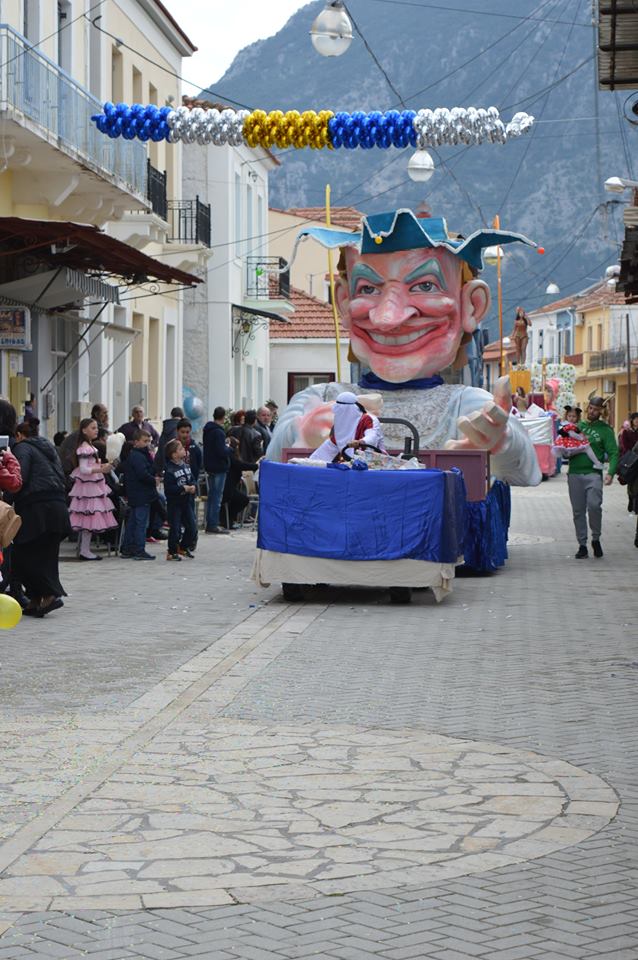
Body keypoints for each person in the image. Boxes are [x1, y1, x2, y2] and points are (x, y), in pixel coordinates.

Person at [267, 208, 540, 488]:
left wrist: (501, 443)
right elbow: (271, 467)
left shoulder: (467, 405)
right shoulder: (319, 398)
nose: (388, 318)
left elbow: (526, 473)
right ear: (344, 302)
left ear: (472, 305)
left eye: (424, 285)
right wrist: (301, 433)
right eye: (368, 289)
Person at [11, 418, 70, 616]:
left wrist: (7, 501)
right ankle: (36, 600)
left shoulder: (22, 449)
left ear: (19, 435)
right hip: (57, 506)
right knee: (46, 555)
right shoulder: (49, 448)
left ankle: (49, 595)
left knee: (24, 554)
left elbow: (19, 479)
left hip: (36, 509)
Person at [567, 397, 619, 559]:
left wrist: (610, 472)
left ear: (602, 412)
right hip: (574, 473)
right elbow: (563, 445)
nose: (592, 411)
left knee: (594, 506)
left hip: (594, 475)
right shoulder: (577, 426)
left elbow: (613, 453)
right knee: (578, 511)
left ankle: (595, 539)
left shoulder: (605, 430)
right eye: (590, 408)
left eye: (596, 409)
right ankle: (582, 545)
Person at [68, 418, 117, 560]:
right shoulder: (85, 448)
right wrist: (101, 469)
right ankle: (84, 550)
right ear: (84, 430)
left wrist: (103, 467)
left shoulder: (89, 446)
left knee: (88, 518)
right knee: (88, 517)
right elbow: (84, 469)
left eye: (96, 428)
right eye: (93, 428)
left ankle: (85, 549)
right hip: (88, 488)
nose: (96, 430)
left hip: (90, 486)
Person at [310, 392, 386, 461]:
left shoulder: (369, 419)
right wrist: (310, 461)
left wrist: (360, 442)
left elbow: (372, 437)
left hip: (374, 459)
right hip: (352, 461)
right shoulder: (341, 425)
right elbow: (330, 446)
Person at [120, 428, 158, 560]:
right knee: (141, 523)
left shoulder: (138, 454)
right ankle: (139, 549)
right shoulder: (138, 456)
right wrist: (154, 480)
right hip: (141, 494)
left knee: (133, 521)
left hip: (136, 493)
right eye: (145, 441)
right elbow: (143, 474)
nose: (148, 443)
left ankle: (127, 548)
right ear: (136, 442)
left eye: (149, 441)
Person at [163, 439, 198, 560]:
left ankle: (183, 547)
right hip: (175, 503)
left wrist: (193, 486)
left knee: (192, 527)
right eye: (181, 449)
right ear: (174, 454)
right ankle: (171, 551)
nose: (184, 450)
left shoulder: (186, 466)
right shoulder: (169, 470)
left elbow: (192, 479)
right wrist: (183, 488)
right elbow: (169, 488)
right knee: (175, 528)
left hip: (186, 502)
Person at [203, 406, 231, 534]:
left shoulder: (208, 430)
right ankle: (213, 524)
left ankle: (209, 522)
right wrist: (230, 448)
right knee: (217, 497)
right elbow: (221, 451)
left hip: (210, 465)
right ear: (223, 417)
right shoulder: (219, 432)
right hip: (219, 466)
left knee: (211, 496)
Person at [222, 437, 259, 529]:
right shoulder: (230, 455)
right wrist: (256, 466)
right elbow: (239, 465)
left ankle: (228, 520)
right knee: (242, 500)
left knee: (241, 499)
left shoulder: (230, 455)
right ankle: (227, 520)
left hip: (230, 487)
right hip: (228, 488)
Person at [155, 406, 186, 475]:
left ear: (171, 415)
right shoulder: (181, 429)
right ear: (182, 416)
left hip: (163, 464)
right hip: (175, 466)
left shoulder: (166, 427)